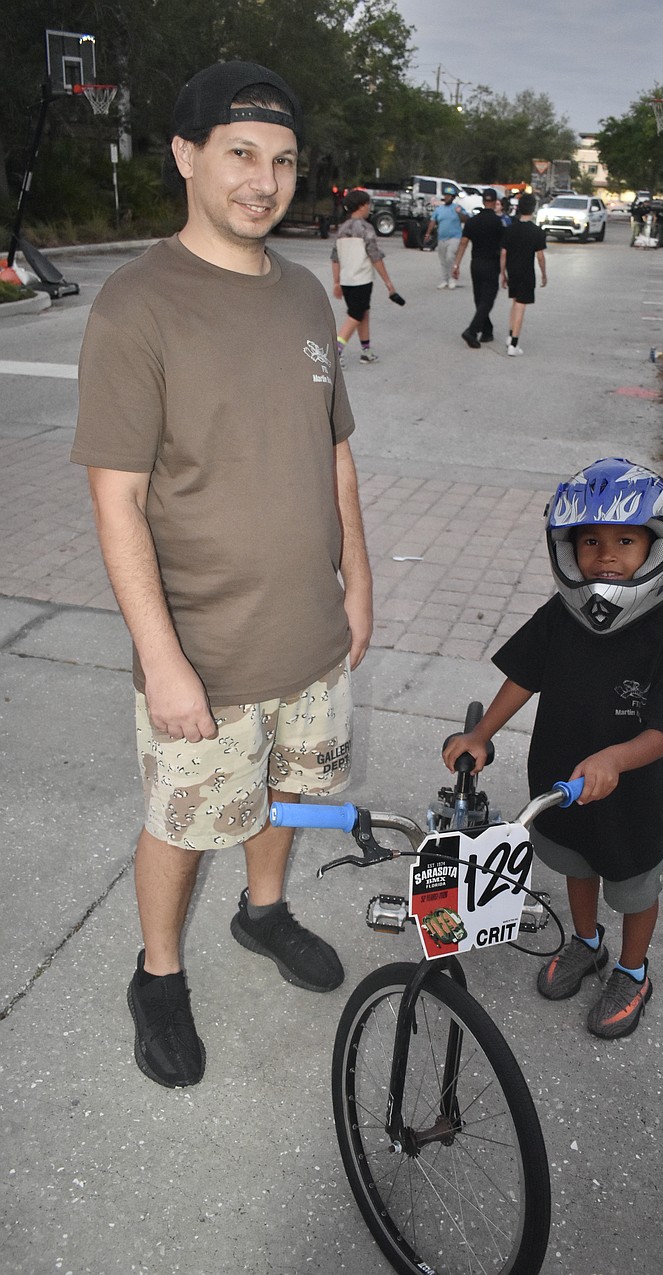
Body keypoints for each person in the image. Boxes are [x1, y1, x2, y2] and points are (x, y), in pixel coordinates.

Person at [71, 61, 373, 1088]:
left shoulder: (300, 291)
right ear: (186, 154)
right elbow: (116, 499)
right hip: (204, 649)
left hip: (313, 637)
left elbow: (333, 451)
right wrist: (163, 663)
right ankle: (157, 974)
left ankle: (265, 912)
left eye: (283, 160)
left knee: (287, 801)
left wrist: (360, 585)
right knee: (185, 822)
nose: (265, 179)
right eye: (241, 153)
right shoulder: (136, 305)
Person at [443, 458, 663, 1040]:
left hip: (634, 804)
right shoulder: (560, 616)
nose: (605, 553)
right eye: (590, 540)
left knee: (636, 889)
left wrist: (616, 758)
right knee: (575, 868)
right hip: (560, 788)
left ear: (657, 548)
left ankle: (634, 971)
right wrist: (481, 733)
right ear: (568, 548)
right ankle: (587, 944)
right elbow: (522, 677)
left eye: (625, 540)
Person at [331, 189, 398, 365]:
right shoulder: (365, 228)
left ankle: (366, 350)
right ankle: (335, 351)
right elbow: (375, 256)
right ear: (362, 206)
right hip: (361, 279)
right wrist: (388, 283)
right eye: (368, 204)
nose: (370, 208)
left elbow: (335, 257)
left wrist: (336, 281)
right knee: (355, 315)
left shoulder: (342, 229)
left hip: (346, 280)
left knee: (363, 313)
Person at [452, 188, 504, 348]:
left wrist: (456, 264)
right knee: (487, 300)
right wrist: (504, 270)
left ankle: (487, 331)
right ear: (495, 203)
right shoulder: (498, 223)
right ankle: (472, 331)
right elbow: (504, 249)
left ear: (482, 201)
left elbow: (463, 243)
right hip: (491, 264)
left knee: (479, 298)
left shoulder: (472, 221)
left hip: (476, 264)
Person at [499, 193, 547, 356]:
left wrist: (503, 273)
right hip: (526, 273)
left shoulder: (510, 229)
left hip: (512, 271)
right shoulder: (537, 232)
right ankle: (514, 343)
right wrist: (544, 274)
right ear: (533, 209)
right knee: (521, 306)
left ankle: (510, 334)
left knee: (514, 303)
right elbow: (540, 256)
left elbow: (503, 253)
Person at [422, 188, 466, 288]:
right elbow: (433, 221)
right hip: (442, 237)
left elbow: (466, 219)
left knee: (450, 257)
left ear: (453, 197)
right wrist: (428, 234)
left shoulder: (457, 208)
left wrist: (460, 213)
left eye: (449, 196)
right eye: (446, 195)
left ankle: (452, 279)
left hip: (454, 237)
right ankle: (444, 279)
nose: (446, 197)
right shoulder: (439, 209)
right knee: (443, 259)